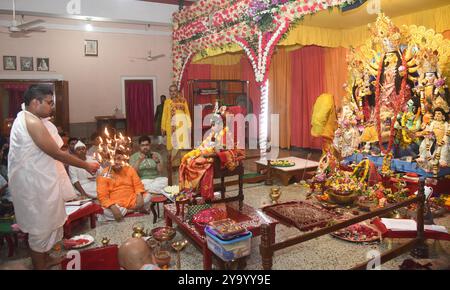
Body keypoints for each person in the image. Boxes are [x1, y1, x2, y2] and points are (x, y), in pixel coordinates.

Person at [8, 84, 99, 270]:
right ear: (35, 102)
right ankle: (39, 265)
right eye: (49, 103)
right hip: (33, 185)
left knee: (51, 220)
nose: (52, 107)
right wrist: (86, 165)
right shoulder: (31, 122)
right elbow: (56, 153)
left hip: (43, 181)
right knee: (40, 226)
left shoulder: (32, 118)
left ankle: (47, 257)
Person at [96, 151, 151, 222]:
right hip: (116, 203)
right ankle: (133, 210)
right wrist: (112, 206)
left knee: (148, 196)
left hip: (132, 199)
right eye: (113, 159)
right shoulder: (104, 174)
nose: (116, 162)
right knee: (104, 211)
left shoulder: (130, 169)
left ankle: (126, 211)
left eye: (119, 159)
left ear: (123, 160)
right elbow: (102, 196)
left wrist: (139, 195)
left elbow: (138, 185)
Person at [161, 84, 191, 150]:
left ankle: (181, 159)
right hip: (170, 127)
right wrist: (163, 127)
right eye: (171, 91)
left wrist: (189, 125)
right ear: (169, 92)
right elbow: (164, 115)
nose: (173, 92)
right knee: (171, 146)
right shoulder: (167, 102)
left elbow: (187, 113)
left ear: (177, 91)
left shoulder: (183, 101)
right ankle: (172, 160)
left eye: (175, 90)